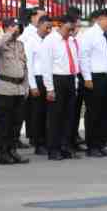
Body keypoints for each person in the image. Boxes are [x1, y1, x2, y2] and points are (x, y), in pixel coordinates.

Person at [76, 8, 107, 158]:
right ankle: (92, 146)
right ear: (101, 18)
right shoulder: (89, 35)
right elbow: (83, 57)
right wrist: (87, 78)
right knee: (94, 113)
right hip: (94, 77)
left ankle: (101, 143)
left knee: (105, 113)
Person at [0, 18, 30, 165]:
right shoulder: (0, 42)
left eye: (17, 26)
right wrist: (8, 34)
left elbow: (24, 67)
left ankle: (13, 150)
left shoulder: (20, 45)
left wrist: (26, 86)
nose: (16, 29)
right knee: (4, 123)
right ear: (5, 28)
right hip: (5, 88)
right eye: (12, 26)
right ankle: (4, 153)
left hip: (18, 88)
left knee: (16, 122)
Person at [43, 13, 82, 161]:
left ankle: (65, 147)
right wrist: (49, 88)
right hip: (57, 79)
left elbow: (75, 64)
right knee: (56, 117)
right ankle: (54, 149)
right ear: (60, 25)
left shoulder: (71, 41)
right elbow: (46, 66)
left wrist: (76, 83)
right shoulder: (50, 41)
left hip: (70, 80)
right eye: (68, 29)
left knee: (69, 116)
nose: (70, 32)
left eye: (73, 29)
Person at [23, 11, 53, 154]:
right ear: (39, 25)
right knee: (37, 113)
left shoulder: (49, 40)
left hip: (48, 79)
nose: (49, 30)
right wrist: (32, 86)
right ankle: (38, 143)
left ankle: (48, 141)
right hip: (37, 79)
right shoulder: (31, 41)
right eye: (47, 27)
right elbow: (28, 65)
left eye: (50, 28)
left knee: (48, 113)